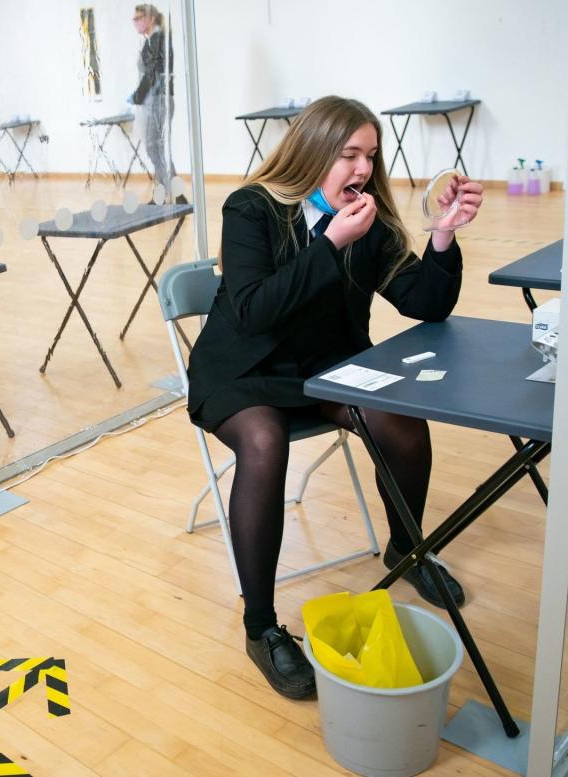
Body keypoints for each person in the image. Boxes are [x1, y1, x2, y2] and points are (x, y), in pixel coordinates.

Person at [186, 96, 483, 701]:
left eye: (370, 156)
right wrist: (327, 246)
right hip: (244, 369)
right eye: (348, 154)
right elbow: (252, 310)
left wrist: (443, 237)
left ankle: (406, 544)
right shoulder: (251, 208)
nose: (361, 169)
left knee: (399, 417)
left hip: (325, 366)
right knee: (264, 444)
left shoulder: (367, 219)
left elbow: (424, 303)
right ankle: (262, 627)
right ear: (313, 152)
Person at [128, 4, 179, 201]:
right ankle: (165, 193)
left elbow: (152, 74)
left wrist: (136, 97)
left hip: (158, 100)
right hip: (156, 100)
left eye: (138, 18)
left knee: (153, 146)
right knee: (156, 147)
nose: (136, 23)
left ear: (150, 19)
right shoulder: (153, 40)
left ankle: (175, 192)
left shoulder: (157, 39)